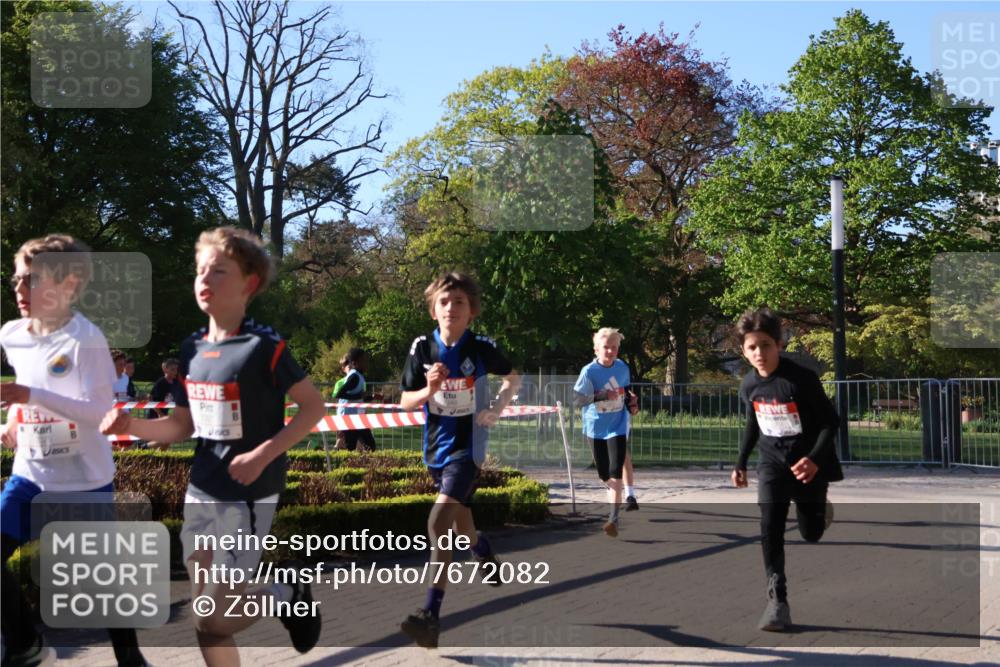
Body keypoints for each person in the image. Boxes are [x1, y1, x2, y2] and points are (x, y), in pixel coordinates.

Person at [101, 227, 327, 666]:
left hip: (247, 496)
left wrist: (262, 454)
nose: (205, 278)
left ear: (249, 284)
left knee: (212, 619)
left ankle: (285, 594)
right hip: (201, 491)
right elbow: (182, 426)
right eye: (201, 270)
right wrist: (132, 425)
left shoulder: (265, 346)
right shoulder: (192, 348)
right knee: (207, 619)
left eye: (218, 271)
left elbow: (313, 408)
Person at [0, 234, 149, 667]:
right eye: (16, 280)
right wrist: (13, 420)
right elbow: (23, 397)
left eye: (31, 280)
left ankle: (131, 658)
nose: (18, 289)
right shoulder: (12, 335)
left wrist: (32, 394)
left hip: (83, 481)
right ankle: (25, 644)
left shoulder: (87, 340)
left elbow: (100, 412)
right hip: (30, 475)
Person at [398, 273, 520, 649]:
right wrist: (429, 389)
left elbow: (513, 378)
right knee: (464, 533)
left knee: (438, 524)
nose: (452, 308)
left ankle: (429, 615)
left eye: (460, 303)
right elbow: (405, 401)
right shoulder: (422, 348)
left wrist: (497, 408)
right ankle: (483, 550)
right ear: (434, 310)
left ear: (472, 312)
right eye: (445, 302)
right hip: (435, 450)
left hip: (469, 451)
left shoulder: (481, 347)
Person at [730, 307, 842, 632]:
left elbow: (829, 422)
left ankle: (819, 512)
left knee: (811, 533)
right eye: (752, 347)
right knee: (770, 526)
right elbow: (752, 425)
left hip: (807, 465)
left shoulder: (801, 380)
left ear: (778, 344)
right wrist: (740, 463)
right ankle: (777, 601)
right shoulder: (749, 385)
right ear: (744, 351)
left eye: (765, 345)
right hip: (771, 465)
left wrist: (815, 459)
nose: (759, 353)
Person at [573, 328, 639, 537]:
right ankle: (613, 495)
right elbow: (577, 400)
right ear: (596, 349)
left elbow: (627, 393)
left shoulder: (622, 368)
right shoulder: (589, 372)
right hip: (595, 427)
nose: (610, 351)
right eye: (606, 347)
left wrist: (633, 405)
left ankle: (613, 518)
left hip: (617, 426)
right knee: (604, 473)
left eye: (614, 347)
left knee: (615, 469)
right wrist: (602, 395)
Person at [332, 348, 376, 452]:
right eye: (364, 361)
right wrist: (359, 396)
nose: (367, 363)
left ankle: (360, 466)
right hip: (349, 418)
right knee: (350, 448)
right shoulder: (354, 377)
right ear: (355, 363)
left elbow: (357, 397)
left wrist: (371, 397)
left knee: (370, 446)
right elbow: (340, 394)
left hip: (357, 418)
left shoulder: (358, 376)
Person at [145, 358, 182, 450]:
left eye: (176, 369)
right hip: (155, 416)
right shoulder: (160, 383)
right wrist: (159, 413)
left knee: (168, 441)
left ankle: (158, 460)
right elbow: (150, 399)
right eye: (172, 369)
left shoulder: (175, 383)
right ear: (165, 369)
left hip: (165, 416)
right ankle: (143, 448)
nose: (175, 372)